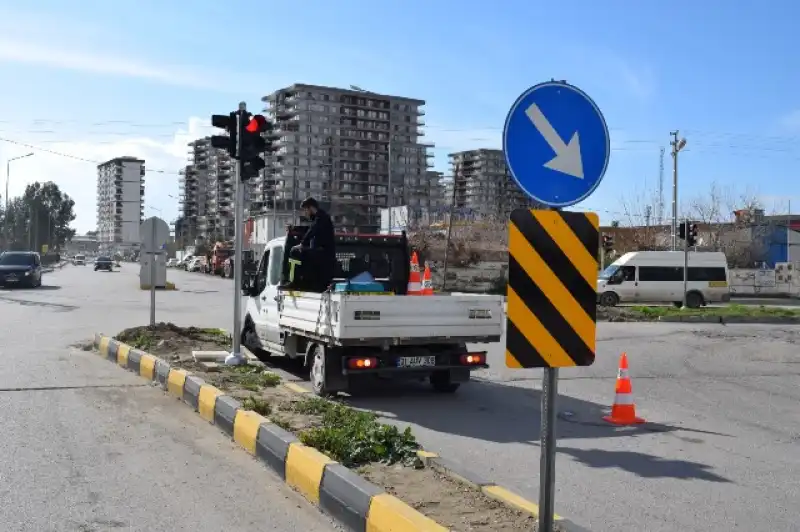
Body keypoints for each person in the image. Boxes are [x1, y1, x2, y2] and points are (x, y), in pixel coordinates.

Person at [282, 197, 336, 291]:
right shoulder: (319, 218)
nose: (305, 213)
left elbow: (312, 230)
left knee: (294, 252)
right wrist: (294, 229)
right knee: (303, 254)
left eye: (305, 210)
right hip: (320, 252)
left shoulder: (322, 217)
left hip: (323, 253)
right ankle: (303, 281)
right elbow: (308, 229)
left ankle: (294, 281)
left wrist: (302, 244)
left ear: (311, 208)